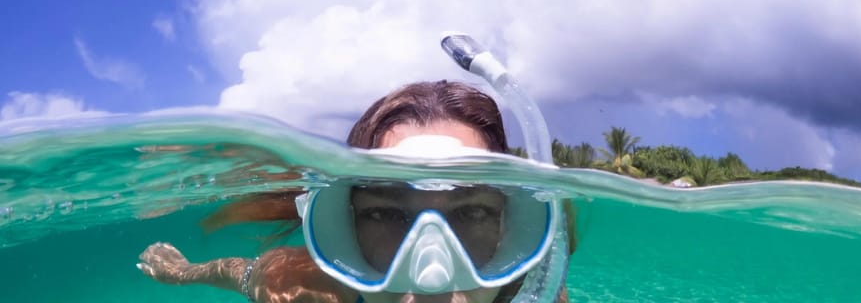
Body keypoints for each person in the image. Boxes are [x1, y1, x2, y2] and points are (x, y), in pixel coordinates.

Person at [138, 80, 575, 302]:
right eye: (384, 213)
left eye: (472, 212)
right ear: (344, 223)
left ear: (512, 224)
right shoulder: (301, 290)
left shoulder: (536, 280)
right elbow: (236, 273)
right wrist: (183, 271)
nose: (431, 283)